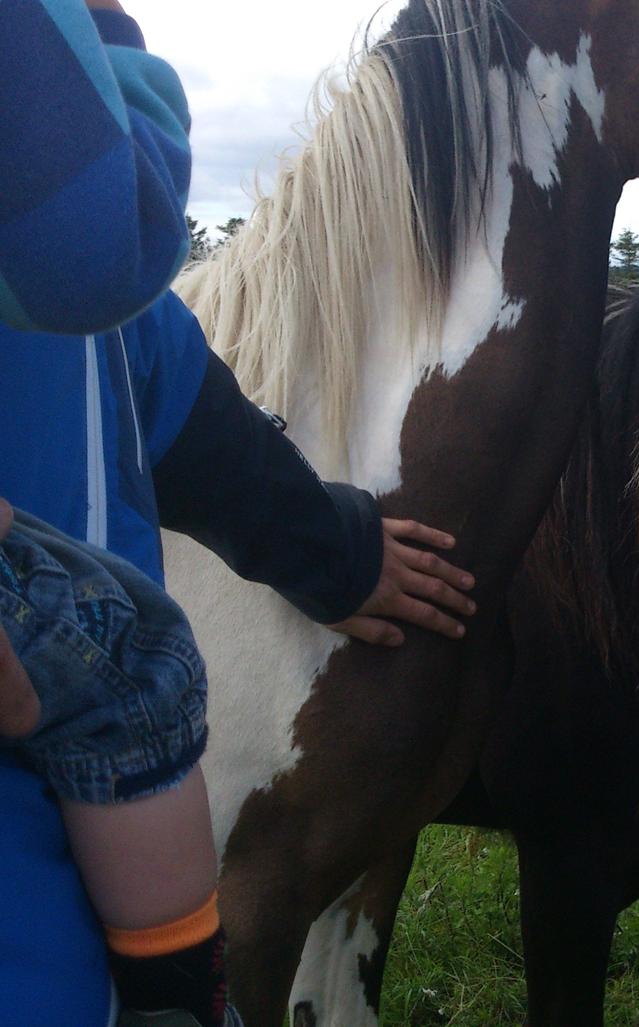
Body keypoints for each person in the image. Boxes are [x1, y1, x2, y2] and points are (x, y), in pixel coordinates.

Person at [0, 3, 476, 1025]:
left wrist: (338, 555)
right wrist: (99, 39)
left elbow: (180, 410)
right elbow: (103, 243)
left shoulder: (102, 337)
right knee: (135, 685)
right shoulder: (66, 234)